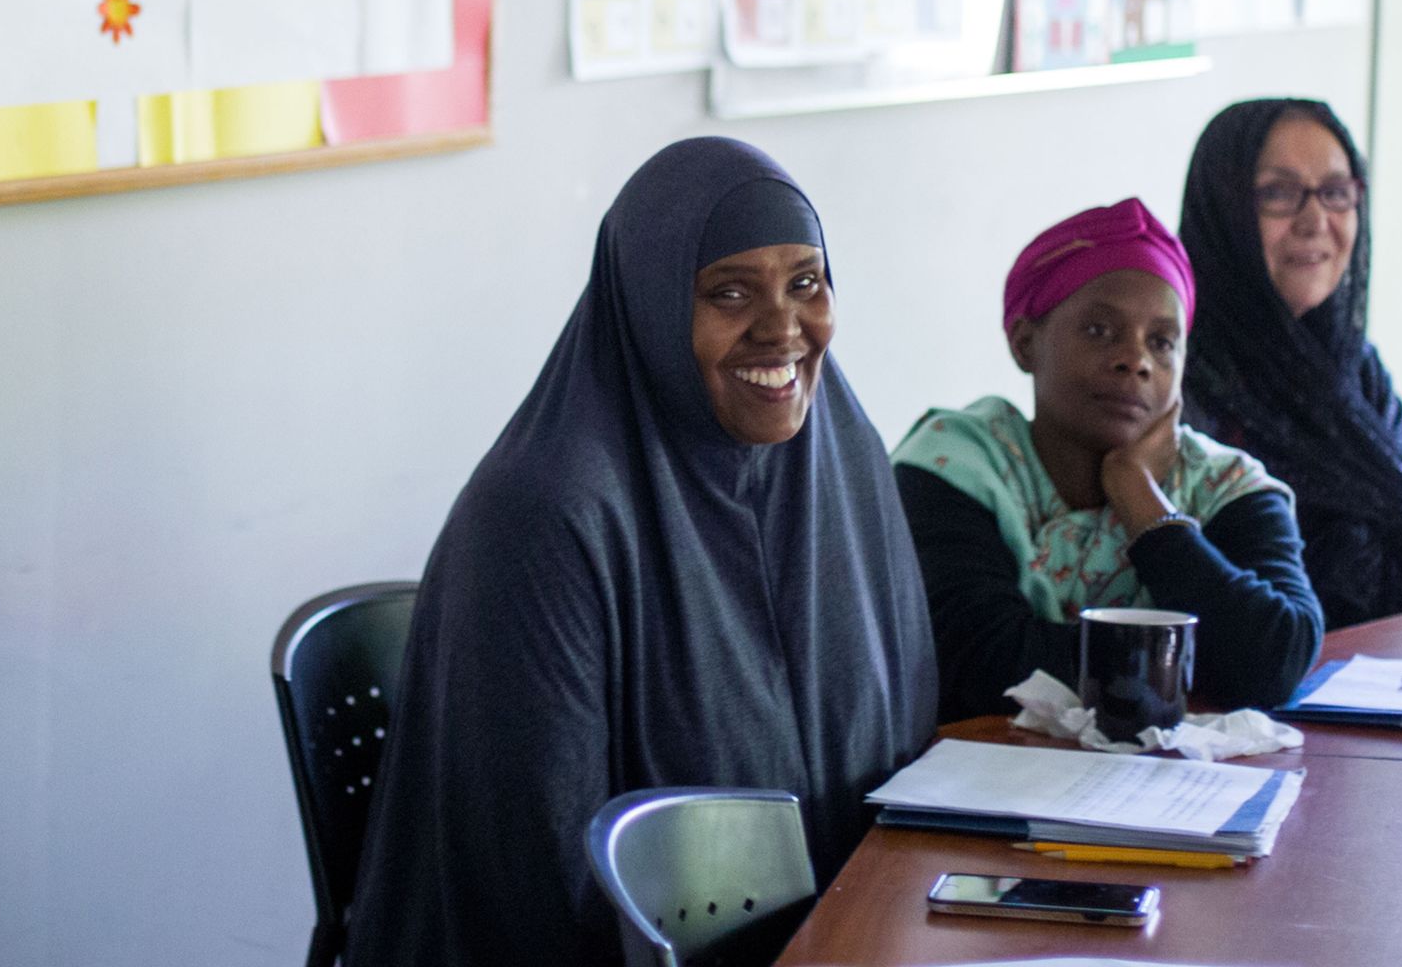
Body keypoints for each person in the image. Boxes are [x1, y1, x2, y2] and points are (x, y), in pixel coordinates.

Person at [342, 139, 934, 967]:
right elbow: (543, 885)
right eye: (730, 293)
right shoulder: (544, 518)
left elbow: (894, 766)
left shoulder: (844, 457)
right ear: (650, 308)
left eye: (806, 282)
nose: (783, 329)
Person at [892, 200, 1322, 724]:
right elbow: (983, 665)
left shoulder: (1223, 483)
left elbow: (1276, 660)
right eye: (1099, 331)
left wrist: (1144, 504)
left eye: (1162, 342)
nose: (1135, 360)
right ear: (1026, 343)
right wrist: (1201, 658)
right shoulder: (955, 463)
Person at [1179, 98, 1402, 626]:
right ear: (1225, 210)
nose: (1315, 221)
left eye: (1335, 193)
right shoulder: (1176, 373)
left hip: (1398, 671)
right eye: (1279, 194)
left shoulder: (1352, 369)